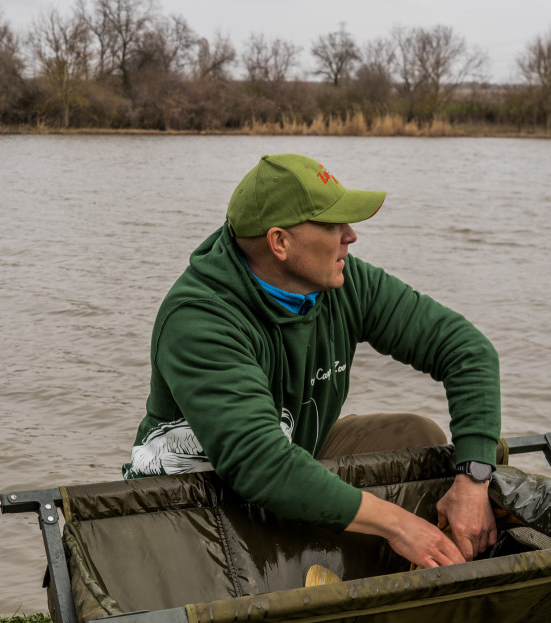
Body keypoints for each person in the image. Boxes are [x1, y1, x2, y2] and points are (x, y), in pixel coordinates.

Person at [124, 153, 501, 568]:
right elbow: (260, 465)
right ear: (279, 242)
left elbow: (466, 349)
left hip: (287, 459)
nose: (351, 235)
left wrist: (473, 478)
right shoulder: (199, 318)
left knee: (417, 434)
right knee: (322, 501)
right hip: (188, 501)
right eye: (332, 224)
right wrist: (399, 524)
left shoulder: (342, 280)